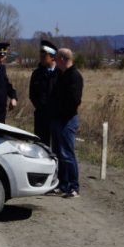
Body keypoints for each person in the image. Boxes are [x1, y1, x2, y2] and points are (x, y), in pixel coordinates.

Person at [50, 47, 83, 198]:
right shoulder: (61, 75)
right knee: (58, 153)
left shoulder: (74, 77)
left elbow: (74, 101)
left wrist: (61, 113)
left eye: (56, 58)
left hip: (67, 120)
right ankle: (63, 184)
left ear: (63, 59)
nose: (54, 60)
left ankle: (73, 186)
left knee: (67, 154)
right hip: (57, 118)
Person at [29, 40, 59, 146]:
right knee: (41, 146)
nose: (41, 57)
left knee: (57, 148)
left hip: (57, 118)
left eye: (44, 55)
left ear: (52, 57)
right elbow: (32, 94)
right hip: (41, 117)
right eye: (40, 54)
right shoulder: (37, 74)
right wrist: (41, 107)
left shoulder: (61, 74)